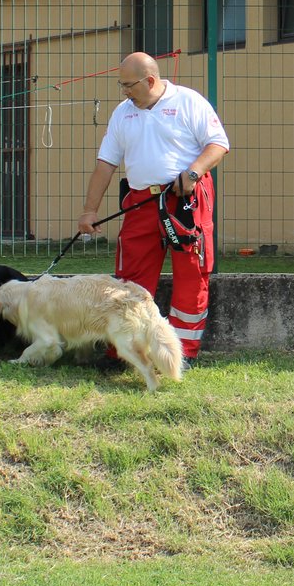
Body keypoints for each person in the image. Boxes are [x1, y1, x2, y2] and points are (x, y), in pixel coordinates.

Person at [76, 52, 230, 361]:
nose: (124, 92)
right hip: (141, 202)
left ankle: (182, 354)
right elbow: (105, 164)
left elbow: (218, 144)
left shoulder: (189, 102)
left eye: (129, 85)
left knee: (191, 274)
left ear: (150, 80)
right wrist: (89, 211)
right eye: (122, 85)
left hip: (186, 201)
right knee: (130, 278)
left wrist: (193, 172)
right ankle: (124, 351)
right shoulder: (122, 113)